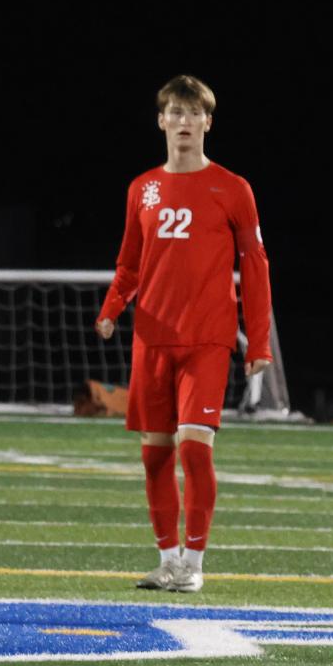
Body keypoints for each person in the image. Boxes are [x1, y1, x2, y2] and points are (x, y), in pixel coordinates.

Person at [94, 74, 273, 594]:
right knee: (154, 454)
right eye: (175, 112)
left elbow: (255, 264)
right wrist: (111, 309)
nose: (184, 122)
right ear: (161, 121)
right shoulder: (142, 188)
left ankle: (194, 563)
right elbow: (129, 263)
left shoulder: (233, 188)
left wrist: (257, 341)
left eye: (194, 114)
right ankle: (167, 559)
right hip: (151, 339)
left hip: (208, 340)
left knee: (195, 449)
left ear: (208, 123)